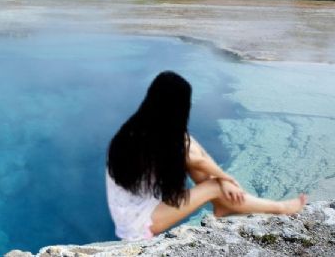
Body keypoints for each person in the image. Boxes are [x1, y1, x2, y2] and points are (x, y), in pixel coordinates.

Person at [105, 71, 307, 241]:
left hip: (139, 214)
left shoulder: (138, 127)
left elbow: (193, 150)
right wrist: (225, 179)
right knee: (215, 186)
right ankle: (279, 208)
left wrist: (220, 177)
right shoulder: (151, 139)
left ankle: (222, 205)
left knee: (188, 146)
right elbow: (197, 160)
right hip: (139, 226)